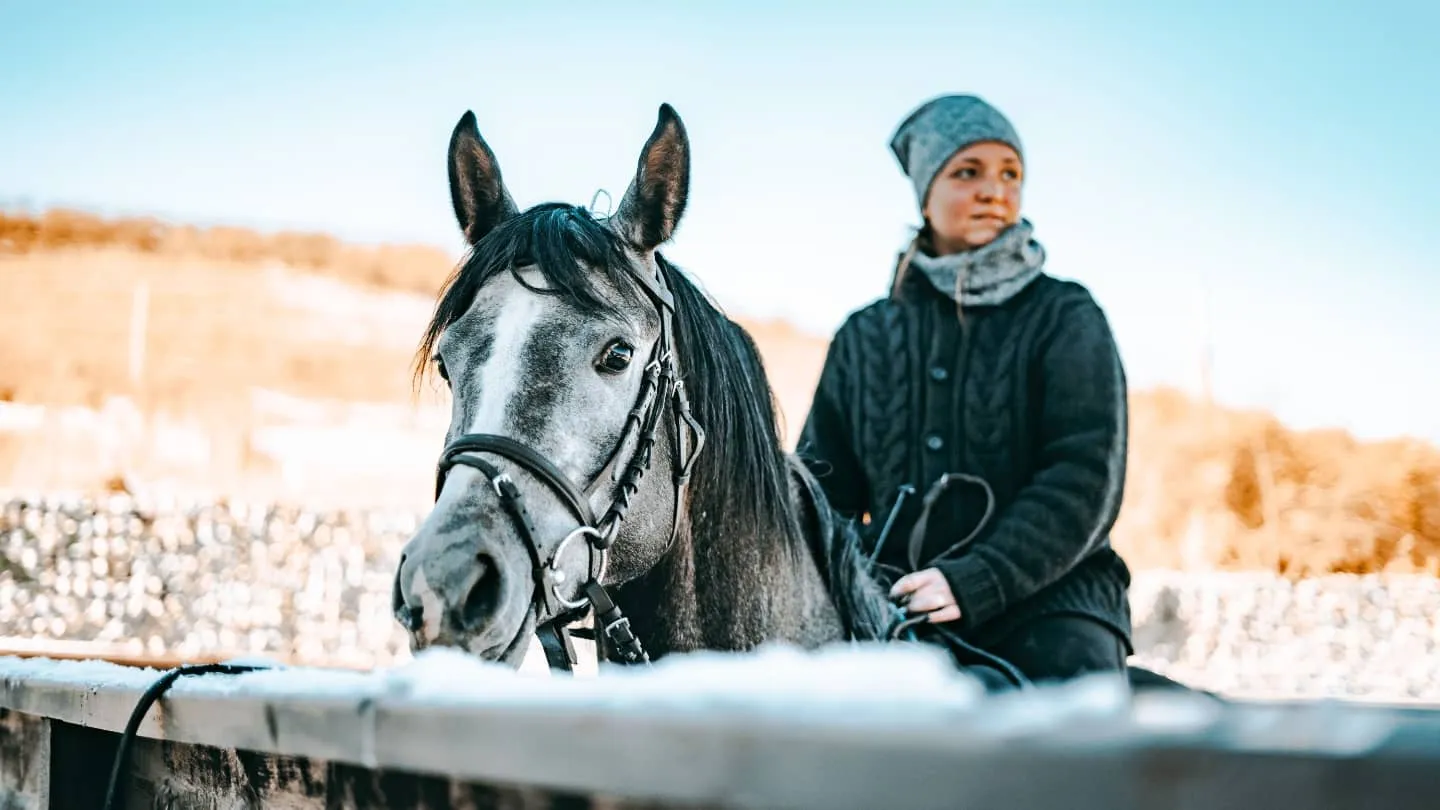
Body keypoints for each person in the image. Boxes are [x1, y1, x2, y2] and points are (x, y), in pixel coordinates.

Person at [797, 93, 1135, 685]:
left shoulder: (1066, 315)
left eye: (1011, 174)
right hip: (892, 607)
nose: (994, 190)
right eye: (967, 172)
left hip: (1054, 604)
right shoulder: (862, 336)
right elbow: (823, 496)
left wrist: (978, 578)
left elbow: (1083, 479)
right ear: (926, 193)